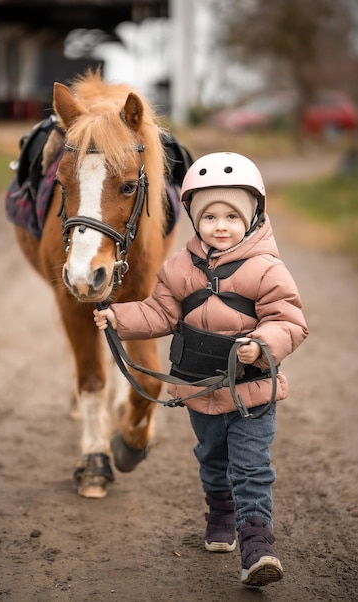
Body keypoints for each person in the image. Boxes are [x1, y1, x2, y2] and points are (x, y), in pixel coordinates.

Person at [93, 152, 308, 587]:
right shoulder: (177, 269)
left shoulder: (267, 270)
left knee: (251, 466)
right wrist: (119, 317)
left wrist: (260, 346)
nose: (221, 225)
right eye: (209, 216)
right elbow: (159, 314)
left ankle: (257, 544)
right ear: (194, 218)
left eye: (232, 215)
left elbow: (290, 322)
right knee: (211, 460)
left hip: (251, 393)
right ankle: (221, 513)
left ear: (253, 217)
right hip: (198, 392)